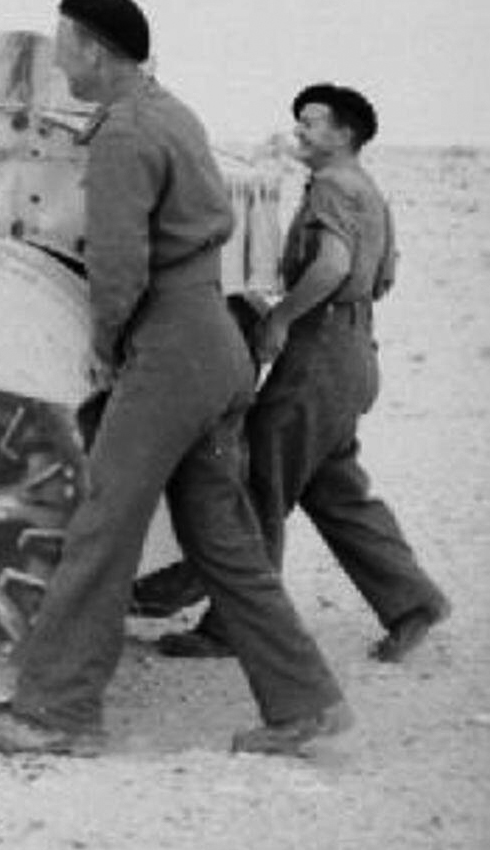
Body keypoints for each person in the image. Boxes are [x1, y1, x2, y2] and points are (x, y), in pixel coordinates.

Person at [0, 0, 352, 757]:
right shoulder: (171, 112)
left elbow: (118, 263)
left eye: (64, 46)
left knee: (102, 524)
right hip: (215, 341)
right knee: (221, 536)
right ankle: (303, 698)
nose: (59, 61)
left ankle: (55, 711)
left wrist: (106, 342)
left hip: (170, 349)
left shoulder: (121, 133)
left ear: (93, 48)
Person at [159, 83, 447, 665]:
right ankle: (413, 602)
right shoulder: (368, 189)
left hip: (319, 355)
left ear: (344, 133)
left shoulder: (333, 188)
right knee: (335, 489)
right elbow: (382, 275)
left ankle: (234, 626)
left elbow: (332, 266)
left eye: (312, 122)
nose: (299, 131)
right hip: (354, 351)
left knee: (260, 483)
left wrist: (282, 319)